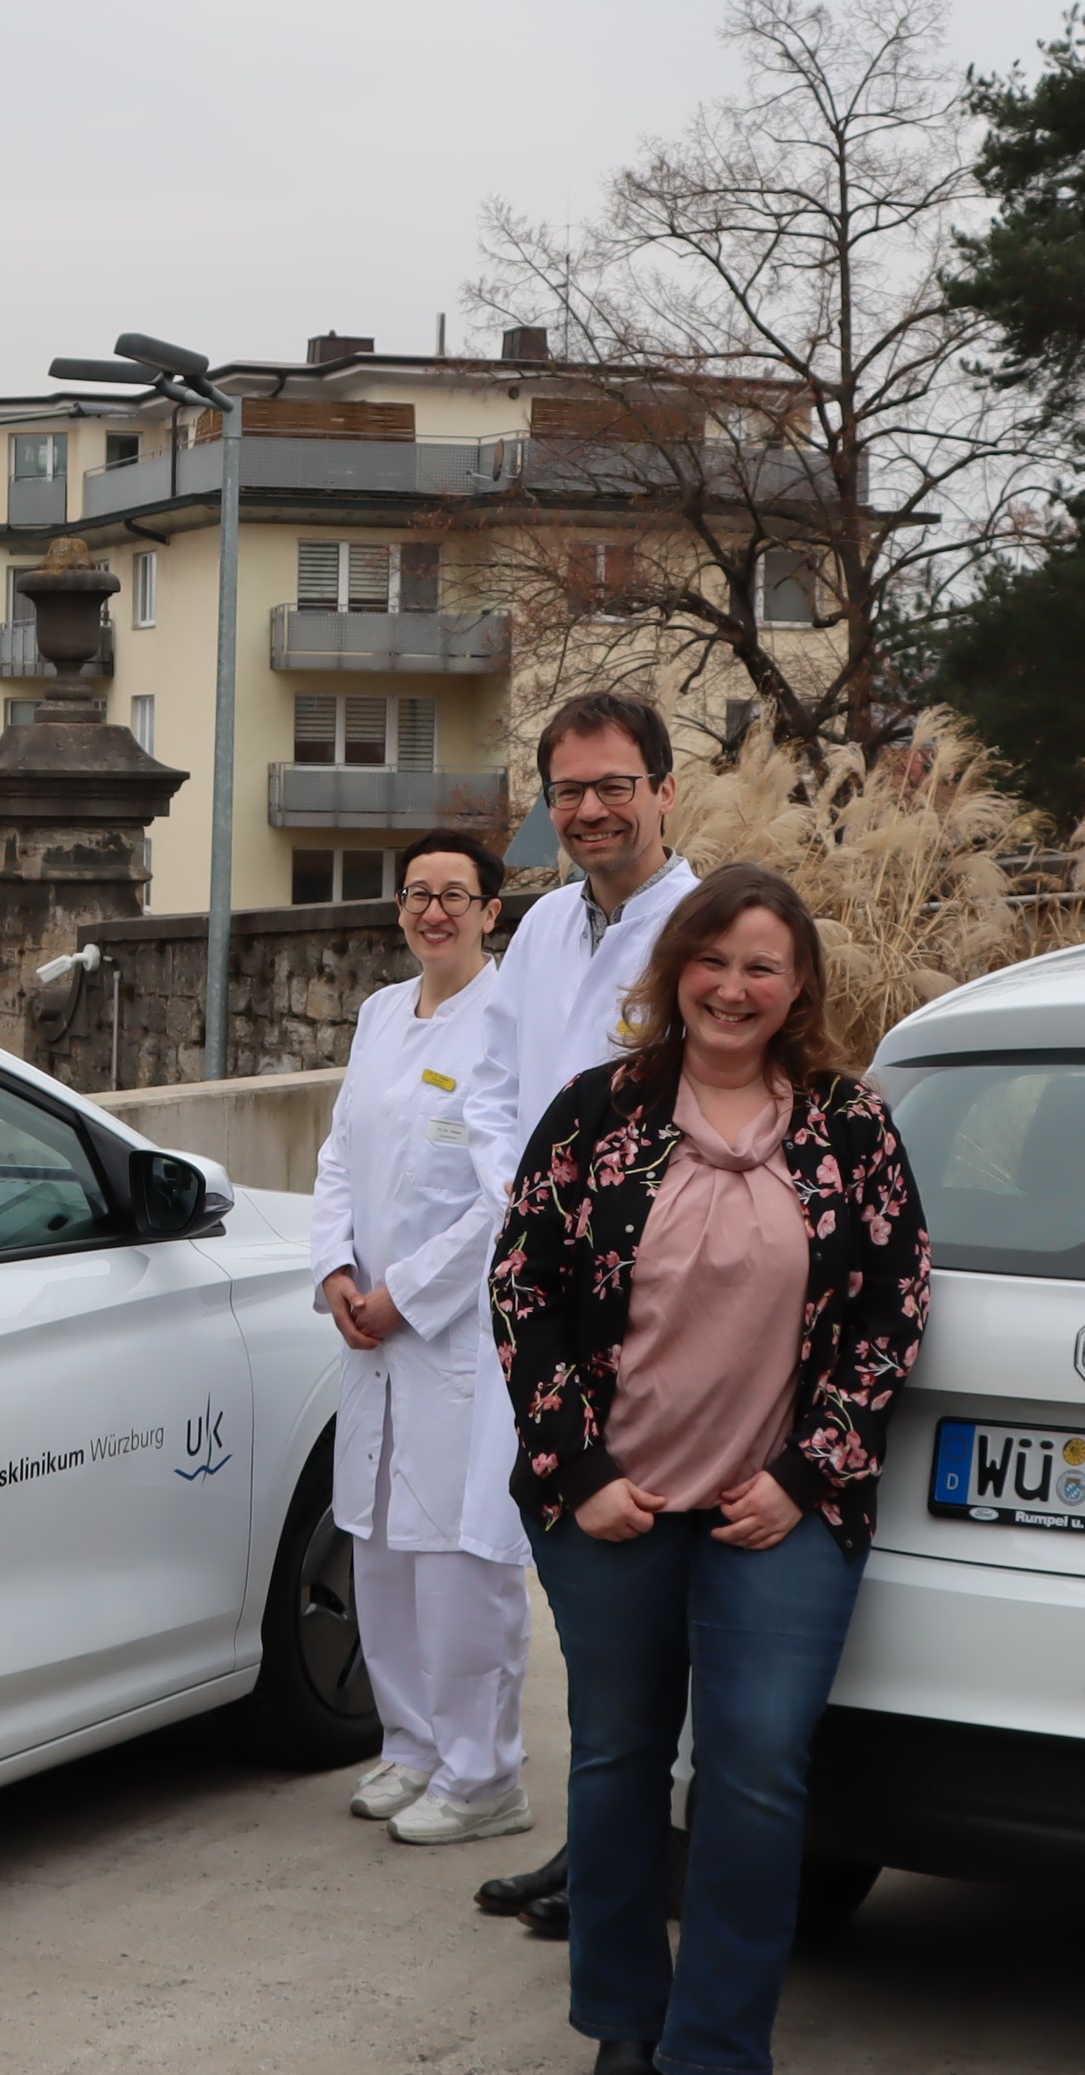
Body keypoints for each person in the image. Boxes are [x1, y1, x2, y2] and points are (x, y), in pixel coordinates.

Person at [490, 863, 928, 2075]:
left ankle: (722, 2053)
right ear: (674, 968)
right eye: (712, 959)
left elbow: (891, 1309)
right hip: (611, 1502)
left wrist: (805, 1471)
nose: (733, 987)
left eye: (762, 966)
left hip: (781, 1508)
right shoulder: (594, 1117)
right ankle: (623, 2026)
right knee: (620, 1757)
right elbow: (524, 1292)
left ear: (798, 988)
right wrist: (578, 1474)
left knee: (752, 1765)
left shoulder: (850, 1131)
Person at [469, 690, 701, 1939]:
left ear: (664, 789)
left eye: (615, 785)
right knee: (584, 1600)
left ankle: (640, 1850)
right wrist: (531, 1207)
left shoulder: (704, 930)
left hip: (660, 1299)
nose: (592, 809)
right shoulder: (550, 923)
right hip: (548, 1288)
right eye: (568, 791)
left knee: (652, 1590)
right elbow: (496, 1083)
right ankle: (592, 1841)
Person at [308, 829, 536, 1847]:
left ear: (492, 911)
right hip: (368, 1328)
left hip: (455, 1334)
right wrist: (335, 1275)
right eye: (415, 894)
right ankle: (409, 1747)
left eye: (454, 894)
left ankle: (484, 1772)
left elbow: (507, 1198)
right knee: (380, 1545)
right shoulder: (378, 1015)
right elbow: (337, 1160)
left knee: (460, 1558)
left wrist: (404, 1293)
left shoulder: (510, 1020)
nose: (431, 911)